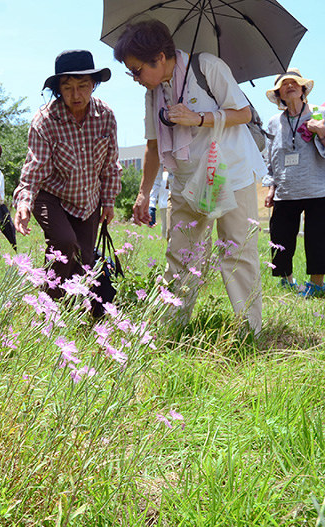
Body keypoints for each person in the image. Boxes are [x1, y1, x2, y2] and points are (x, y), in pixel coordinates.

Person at [114, 19, 266, 333]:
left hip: (229, 172)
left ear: (158, 57)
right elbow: (153, 146)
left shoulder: (206, 66)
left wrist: (198, 118)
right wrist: (144, 193)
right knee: (182, 252)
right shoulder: (153, 92)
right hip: (185, 179)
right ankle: (172, 326)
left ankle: (248, 331)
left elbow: (244, 113)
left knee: (237, 251)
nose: (134, 78)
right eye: (131, 71)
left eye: (137, 69)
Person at [13, 49, 121, 299]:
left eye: (83, 86)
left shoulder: (105, 116)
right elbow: (34, 169)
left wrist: (109, 202)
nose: (76, 95)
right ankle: (47, 307)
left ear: (94, 84)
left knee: (83, 260)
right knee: (64, 243)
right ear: (58, 88)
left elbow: (110, 164)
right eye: (68, 87)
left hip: (88, 200)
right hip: (51, 196)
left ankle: (72, 309)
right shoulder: (45, 120)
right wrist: (24, 203)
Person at [263, 68, 325, 298]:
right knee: (280, 236)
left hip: (318, 189)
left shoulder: (318, 113)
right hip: (285, 190)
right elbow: (271, 157)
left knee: (318, 237)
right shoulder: (273, 122)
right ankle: (287, 281)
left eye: (294, 83)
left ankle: (317, 284)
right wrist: (271, 187)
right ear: (279, 94)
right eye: (284, 85)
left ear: (303, 90)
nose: (289, 86)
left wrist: (320, 131)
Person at [149, 169, 172, 240]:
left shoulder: (159, 177)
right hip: (170, 202)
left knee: (164, 223)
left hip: (162, 203)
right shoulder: (170, 175)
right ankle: (167, 238)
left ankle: (164, 238)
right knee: (170, 224)